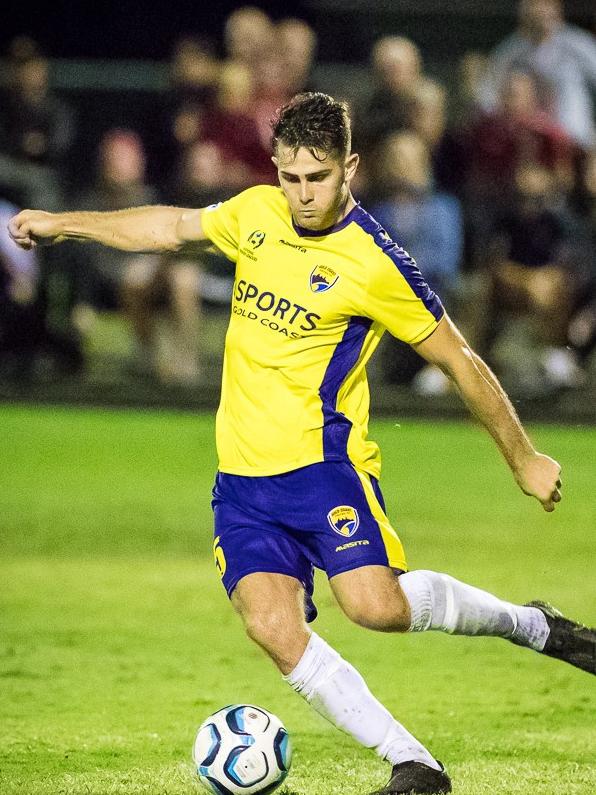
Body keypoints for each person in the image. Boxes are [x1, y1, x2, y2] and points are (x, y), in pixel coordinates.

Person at [8, 92, 595, 795]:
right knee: (271, 626)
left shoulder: (377, 261)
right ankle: (416, 765)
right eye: (290, 177)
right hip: (243, 483)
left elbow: (460, 360)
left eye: (316, 178)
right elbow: (168, 226)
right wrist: (63, 224)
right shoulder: (256, 214)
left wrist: (523, 457)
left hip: (325, 470)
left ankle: (531, 625)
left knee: (376, 608)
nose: (301, 193)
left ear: (350, 167)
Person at [479, 0, 596, 150]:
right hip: (529, 148)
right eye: (534, 4)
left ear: (557, 9)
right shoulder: (510, 52)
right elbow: (486, 98)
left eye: (547, 4)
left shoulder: (578, 45)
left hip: (575, 143)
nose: (541, 10)